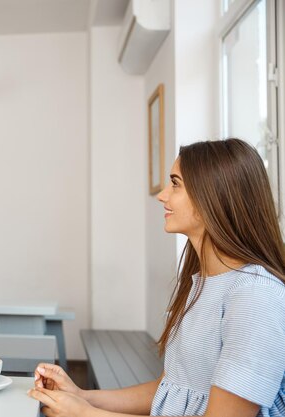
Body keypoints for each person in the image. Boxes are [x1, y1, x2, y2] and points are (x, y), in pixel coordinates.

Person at [28, 138, 285, 417]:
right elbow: (173, 389)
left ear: (213, 195)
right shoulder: (203, 283)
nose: (163, 195)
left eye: (175, 184)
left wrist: (84, 414)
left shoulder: (256, 295)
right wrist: (81, 396)